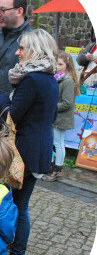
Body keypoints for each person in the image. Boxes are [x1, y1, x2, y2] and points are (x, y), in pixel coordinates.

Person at [0, 29, 59, 255]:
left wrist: (2, 100)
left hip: (23, 152)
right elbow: (49, 116)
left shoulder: (32, 79)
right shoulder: (50, 78)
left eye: (22, 48)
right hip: (40, 150)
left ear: (35, 50)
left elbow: (13, 115)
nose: (17, 52)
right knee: (21, 206)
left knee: (15, 206)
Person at [43, 52, 80, 181]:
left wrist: (50, 107)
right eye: (56, 63)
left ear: (67, 65)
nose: (57, 66)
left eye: (60, 64)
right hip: (56, 116)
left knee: (59, 143)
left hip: (61, 117)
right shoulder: (59, 78)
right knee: (55, 143)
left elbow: (67, 103)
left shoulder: (68, 81)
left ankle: (58, 170)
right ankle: (53, 166)